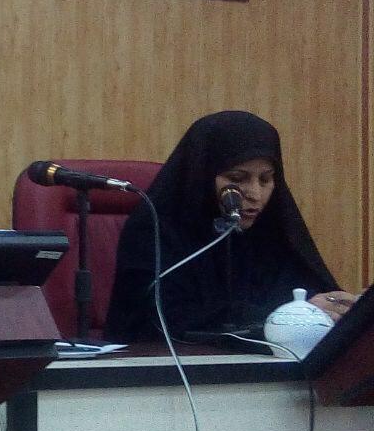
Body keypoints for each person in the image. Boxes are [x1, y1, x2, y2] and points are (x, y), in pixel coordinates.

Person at [104, 111, 357, 342]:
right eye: (237, 179)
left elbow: (306, 294)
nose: (255, 194)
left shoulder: (271, 232)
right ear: (202, 175)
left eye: (266, 179)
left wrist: (338, 309)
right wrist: (287, 316)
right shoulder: (154, 231)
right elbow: (166, 319)